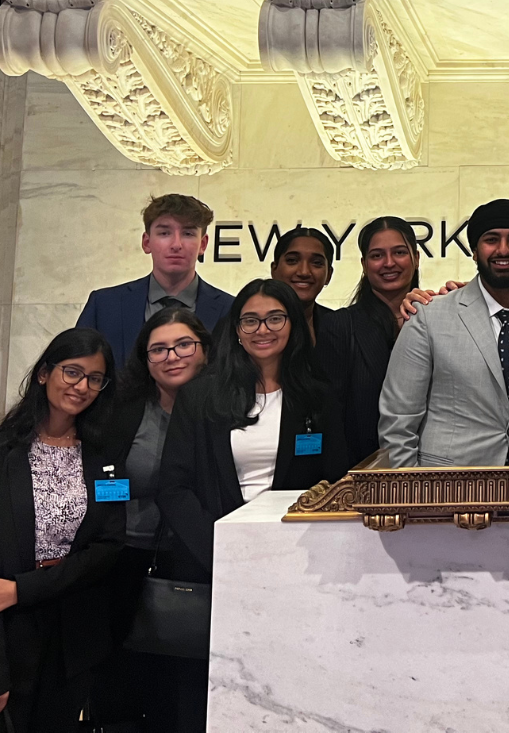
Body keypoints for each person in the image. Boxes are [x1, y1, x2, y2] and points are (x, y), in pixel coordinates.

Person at [158, 279, 348, 583]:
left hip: (299, 557)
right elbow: (173, 487)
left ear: (293, 325)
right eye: (250, 320)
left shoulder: (318, 398)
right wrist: (220, 547)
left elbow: (335, 484)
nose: (262, 330)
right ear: (236, 329)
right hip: (217, 558)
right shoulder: (200, 396)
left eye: (275, 318)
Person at [378, 200, 509, 467]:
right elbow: (398, 419)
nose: (503, 250)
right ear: (474, 251)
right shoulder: (428, 316)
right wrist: (408, 488)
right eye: (491, 240)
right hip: (446, 482)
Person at [94, 308, 211, 732]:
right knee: (123, 683)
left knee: (184, 688)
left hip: (200, 559)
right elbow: (101, 484)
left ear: (205, 350)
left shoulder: (225, 408)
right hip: (127, 558)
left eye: (183, 345)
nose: (171, 356)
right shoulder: (125, 411)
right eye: (158, 349)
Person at [0, 328, 121, 732]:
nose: (82, 386)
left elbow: (108, 547)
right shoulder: (5, 450)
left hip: (74, 628)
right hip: (10, 628)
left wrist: (24, 589)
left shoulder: (105, 458)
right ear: (43, 374)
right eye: (72, 372)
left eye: (94, 378)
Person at [78, 194, 234, 368]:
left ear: (203, 244)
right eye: (164, 233)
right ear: (146, 242)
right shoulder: (104, 306)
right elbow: (77, 368)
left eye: (188, 233)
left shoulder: (231, 310)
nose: (176, 244)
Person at [317, 216, 424, 466]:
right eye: (377, 255)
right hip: (362, 473)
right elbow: (330, 419)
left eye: (399, 252)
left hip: (435, 471)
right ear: (364, 264)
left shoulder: (438, 318)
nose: (389, 263)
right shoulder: (340, 326)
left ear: (416, 258)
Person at [270, 226, 337, 343]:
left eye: (317, 263)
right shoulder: (248, 322)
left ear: (329, 275)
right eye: (292, 260)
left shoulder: (338, 326)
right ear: (274, 270)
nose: (304, 272)